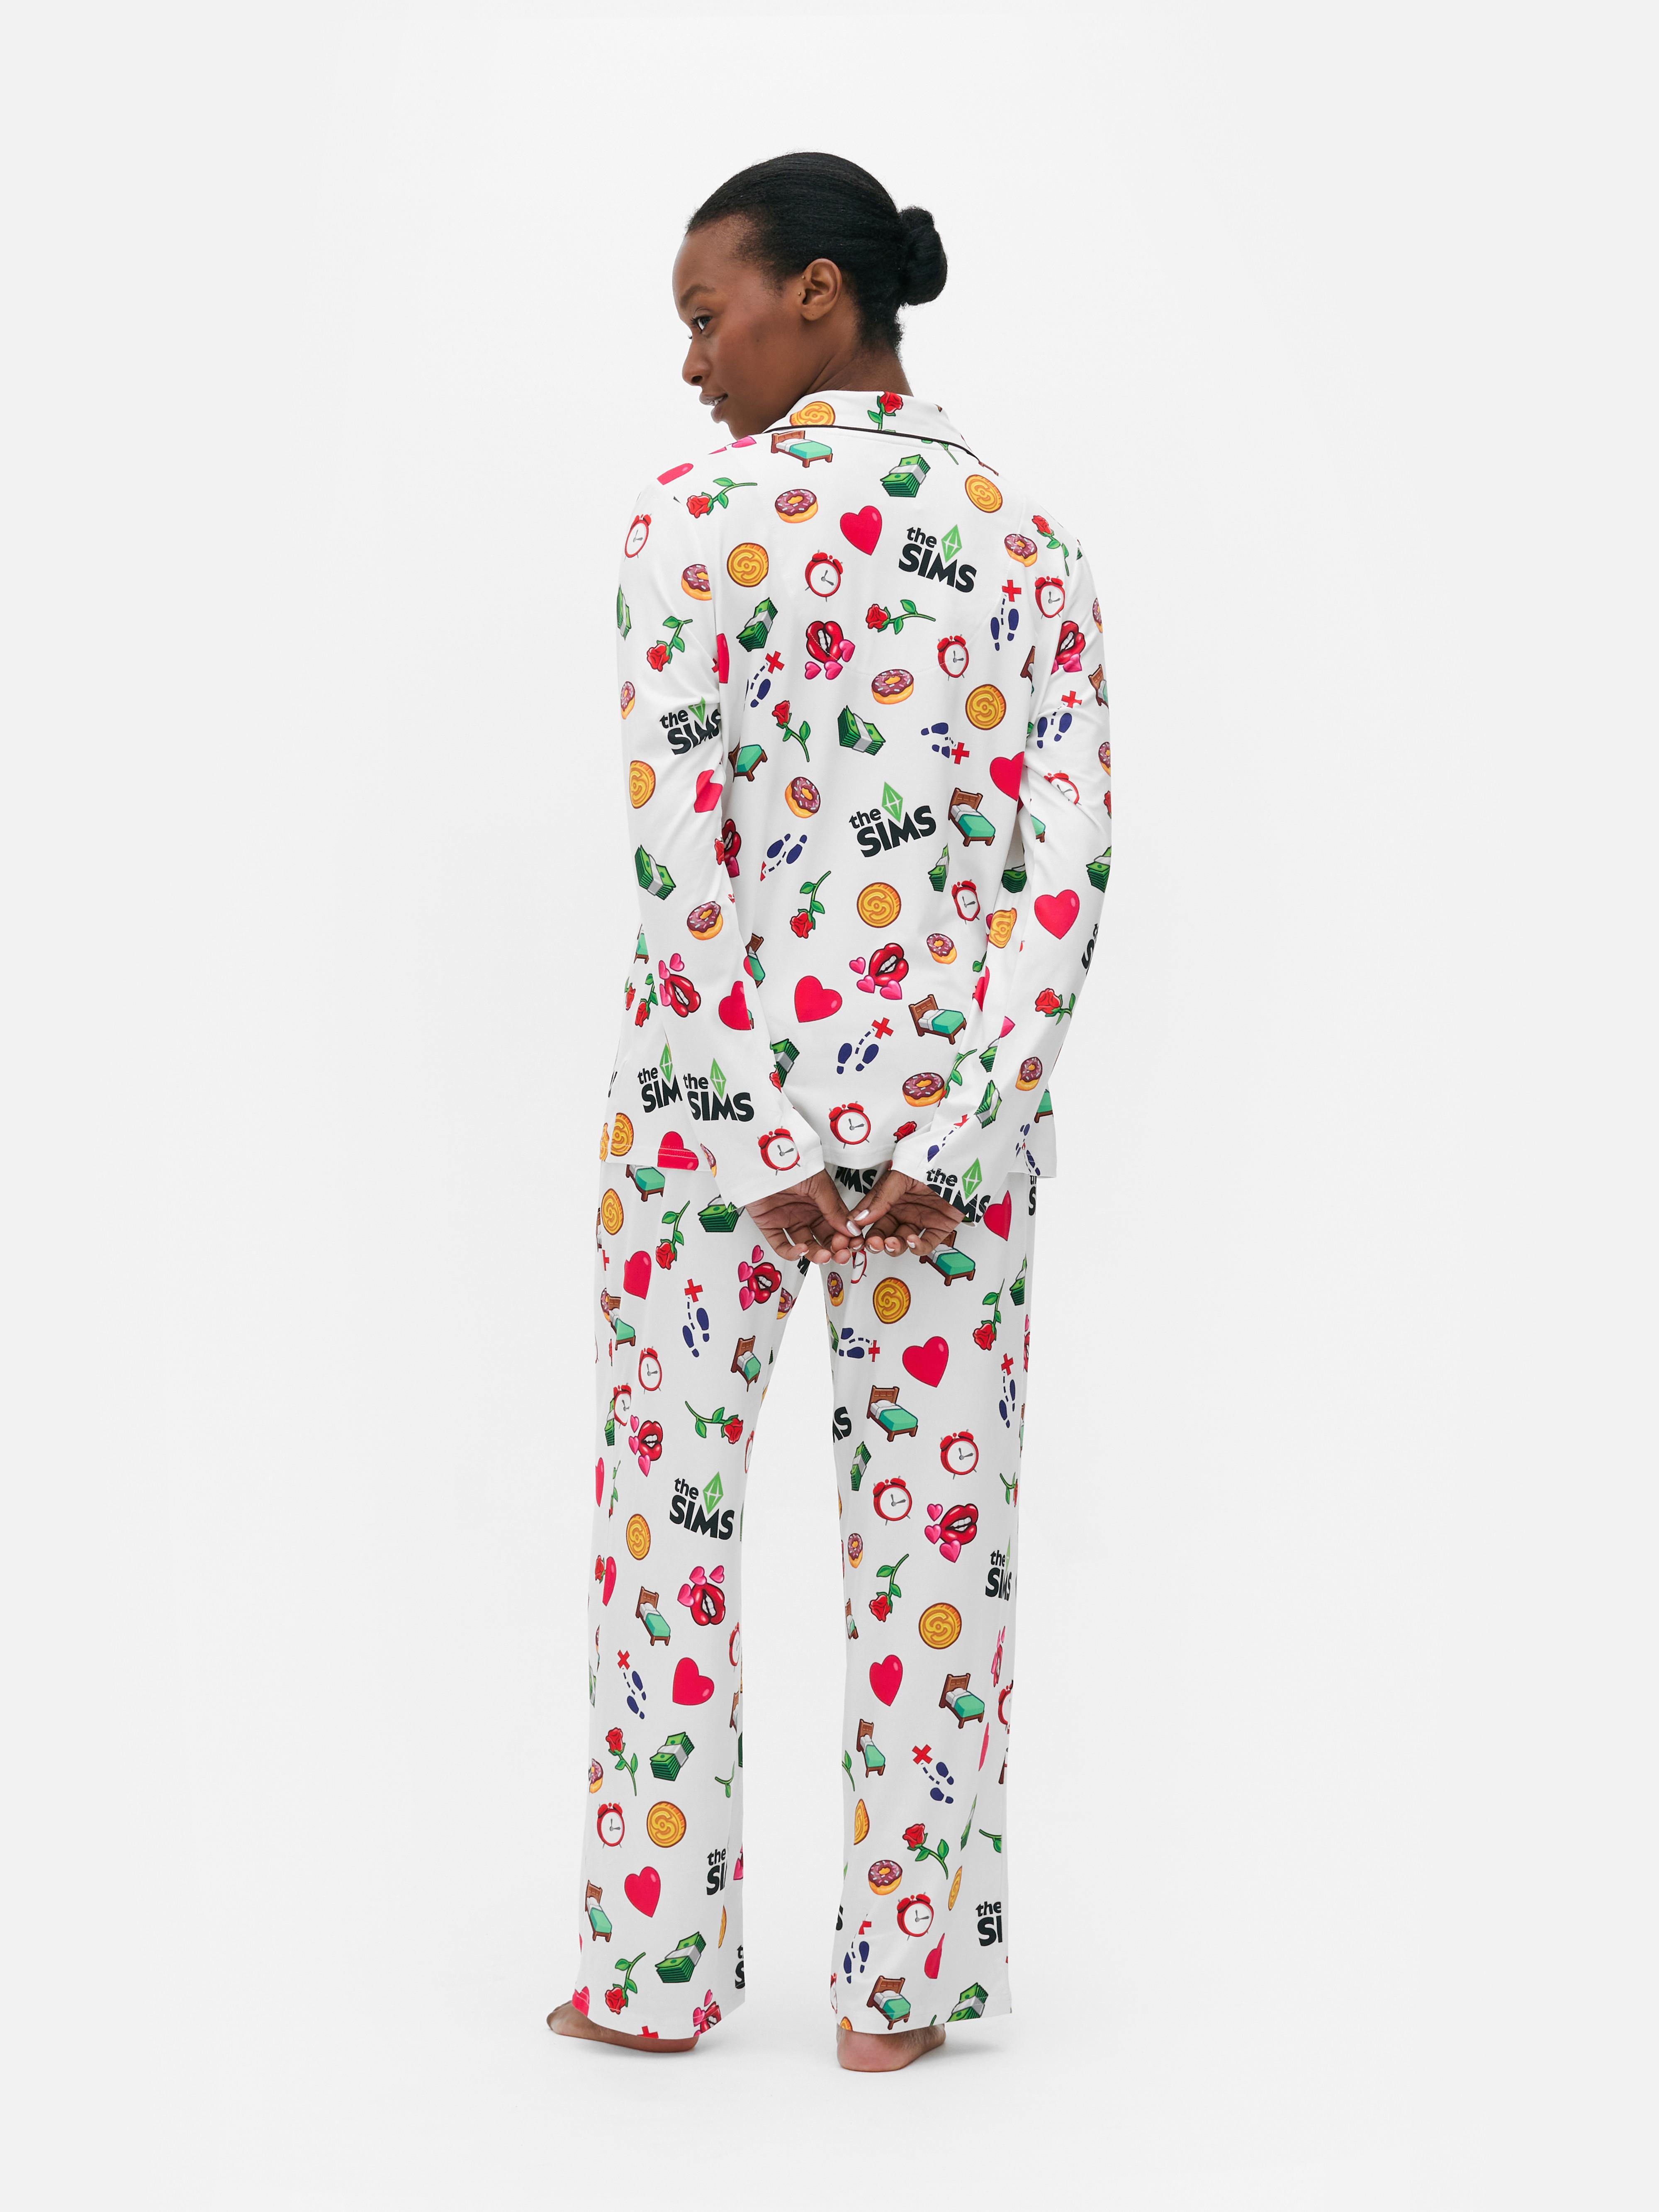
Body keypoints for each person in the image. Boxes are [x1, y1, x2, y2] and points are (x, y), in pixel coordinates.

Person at [549, 153, 1111, 2073]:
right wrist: (950, 1138)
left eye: (705, 313)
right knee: (939, 1556)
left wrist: (765, 1143)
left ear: (814, 292)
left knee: (664, 1533)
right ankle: (904, 1993)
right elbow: (1064, 875)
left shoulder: (687, 523)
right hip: (952, 1144)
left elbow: (680, 860)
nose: (691, 360)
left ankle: (648, 1972)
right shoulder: (1028, 544)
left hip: (704, 1134)